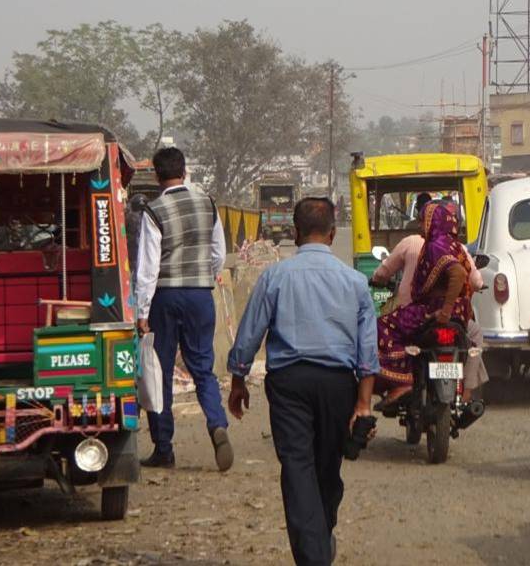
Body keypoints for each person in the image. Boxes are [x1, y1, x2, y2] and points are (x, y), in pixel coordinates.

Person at [227, 198, 377, 566]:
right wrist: (363, 404)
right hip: (338, 385)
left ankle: (315, 549)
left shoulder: (276, 277)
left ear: (295, 233)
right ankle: (317, 549)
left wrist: (238, 379)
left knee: (298, 470)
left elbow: (249, 334)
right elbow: (368, 351)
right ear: (332, 233)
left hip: (289, 385)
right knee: (327, 467)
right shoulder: (356, 282)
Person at [135, 147, 232, 472]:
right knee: (202, 367)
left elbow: (147, 268)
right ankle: (217, 423)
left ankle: (164, 448)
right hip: (200, 295)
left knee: (159, 371)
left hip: (165, 297)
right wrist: (205, 275)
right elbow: (219, 252)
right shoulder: (207, 203)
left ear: (156, 176)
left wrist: (142, 312)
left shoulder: (154, 210)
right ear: (185, 171)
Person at [372, 201, 488, 404]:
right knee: (475, 334)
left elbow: (458, 273)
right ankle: (467, 392)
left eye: (422, 221)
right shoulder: (455, 245)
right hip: (460, 314)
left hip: (433, 310)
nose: (420, 226)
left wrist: (445, 310)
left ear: (433, 223)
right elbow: (471, 278)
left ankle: (403, 380)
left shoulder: (436, 245)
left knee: (382, 326)